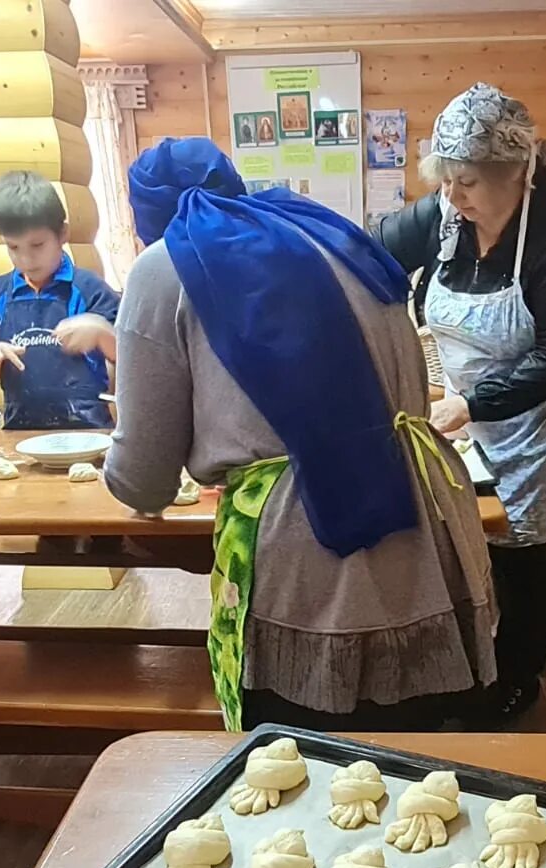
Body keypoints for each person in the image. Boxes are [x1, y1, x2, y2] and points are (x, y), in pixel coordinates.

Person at [110, 139, 496, 732]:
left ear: (147, 217)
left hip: (310, 546)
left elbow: (144, 478)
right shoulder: (322, 230)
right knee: (412, 767)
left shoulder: (165, 265)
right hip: (428, 520)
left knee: (301, 767)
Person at [376, 83, 546, 723]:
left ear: (516, 173)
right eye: (445, 180)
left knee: (527, 546)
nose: (452, 197)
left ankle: (518, 676)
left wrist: (474, 403)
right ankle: (467, 659)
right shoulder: (443, 215)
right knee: (465, 532)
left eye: (469, 183)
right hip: (468, 408)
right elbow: (368, 257)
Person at [0, 170, 122, 430]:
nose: (26, 259)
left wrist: (101, 331)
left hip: (88, 431)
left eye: (37, 245)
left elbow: (129, 356)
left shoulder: (89, 289)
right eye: (13, 247)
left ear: (62, 233)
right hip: (19, 432)